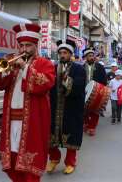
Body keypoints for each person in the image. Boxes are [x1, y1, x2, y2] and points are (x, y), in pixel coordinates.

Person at [0, 23, 55, 182]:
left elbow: (45, 84)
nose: (24, 49)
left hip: (33, 121)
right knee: (13, 160)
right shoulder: (11, 60)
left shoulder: (45, 64)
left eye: (28, 45)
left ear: (35, 45)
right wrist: (8, 70)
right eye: (21, 45)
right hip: (11, 121)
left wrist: (25, 68)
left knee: (30, 164)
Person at [47, 39, 85, 174]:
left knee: (71, 137)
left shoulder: (79, 68)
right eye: (60, 53)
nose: (62, 55)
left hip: (71, 109)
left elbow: (79, 87)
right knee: (50, 137)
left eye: (65, 53)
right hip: (53, 108)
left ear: (70, 54)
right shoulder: (52, 68)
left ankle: (70, 162)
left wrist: (66, 79)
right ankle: (54, 158)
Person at [82, 48, 107, 136]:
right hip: (84, 92)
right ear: (85, 57)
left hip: (97, 91)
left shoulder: (99, 67)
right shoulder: (81, 67)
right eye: (89, 56)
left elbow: (104, 80)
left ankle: (92, 127)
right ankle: (86, 123)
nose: (92, 57)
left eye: (93, 56)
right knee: (84, 110)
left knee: (95, 110)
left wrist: (101, 89)